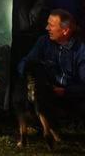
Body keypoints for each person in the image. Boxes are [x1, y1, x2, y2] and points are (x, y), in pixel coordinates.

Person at [15, 10, 85, 148]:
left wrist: (65, 91)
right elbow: (26, 61)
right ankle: (47, 130)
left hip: (72, 94)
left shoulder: (81, 50)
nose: (47, 28)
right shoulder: (44, 41)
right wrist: (27, 74)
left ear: (65, 31)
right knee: (24, 96)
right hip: (47, 91)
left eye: (51, 25)